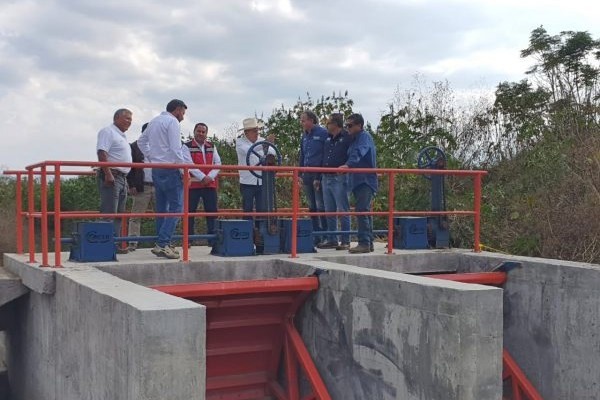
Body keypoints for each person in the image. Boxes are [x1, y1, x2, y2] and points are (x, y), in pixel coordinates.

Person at [137, 99, 188, 259]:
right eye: (183, 113)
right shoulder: (172, 122)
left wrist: (152, 157)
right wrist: (183, 170)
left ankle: (162, 243)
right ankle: (163, 243)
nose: (183, 117)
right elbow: (175, 149)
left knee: (161, 209)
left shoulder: (154, 121)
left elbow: (141, 142)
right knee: (177, 208)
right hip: (170, 168)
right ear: (177, 110)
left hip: (157, 169)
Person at [339, 113, 378, 253]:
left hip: (365, 180)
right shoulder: (354, 139)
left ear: (359, 126)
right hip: (356, 180)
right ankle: (368, 242)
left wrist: (348, 165)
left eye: (350, 125)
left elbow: (359, 152)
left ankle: (364, 243)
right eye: (346, 126)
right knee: (364, 211)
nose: (347, 128)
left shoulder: (364, 138)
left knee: (362, 211)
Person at [96, 108, 133, 254]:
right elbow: (102, 152)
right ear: (117, 118)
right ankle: (103, 246)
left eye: (131, 119)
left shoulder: (121, 135)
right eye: (127, 118)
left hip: (122, 177)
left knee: (119, 214)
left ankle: (114, 244)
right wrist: (108, 173)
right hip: (112, 175)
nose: (129, 122)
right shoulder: (108, 131)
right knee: (109, 212)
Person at [318, 113, 352, 250]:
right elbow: (324, 157)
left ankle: (345, 240)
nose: (327, 125)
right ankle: (332, 239)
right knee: (329, 210)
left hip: (340, 177)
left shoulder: (347, 137)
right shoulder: (328, 138)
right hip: (326, 176)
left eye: (329, 123)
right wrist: (319, 177)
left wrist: (347, 166)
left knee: (343, 209)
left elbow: (352, 154)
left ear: (336, 124)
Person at [183, 122, 221, 245]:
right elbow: (188, 164)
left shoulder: (212, 146)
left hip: (209, 184)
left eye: (203, 132)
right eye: (198, 131)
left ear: (206, 134)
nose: (200, 134)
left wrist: (209, 177)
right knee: (189, 213)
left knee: (212, 212)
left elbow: (218, 163)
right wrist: (203, 177)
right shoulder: (186, 146)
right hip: (193, 185)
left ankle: (213, 240)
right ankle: (188, 240)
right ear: (194, 132)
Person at [235, 117, 275, 223]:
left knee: (261, 209)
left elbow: (273, 151)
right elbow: (249, 150)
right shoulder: (240, 142)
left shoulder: (261, 141)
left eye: (257, 130)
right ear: (246, 132)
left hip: (261, 180)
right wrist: (265, 144)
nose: (257, 133)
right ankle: (247, 230)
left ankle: (260, 229)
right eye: (254, 131)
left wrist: (268, 149)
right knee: (247, 208)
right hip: (247, 181)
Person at [299, 110, 328, 245]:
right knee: (311, 206)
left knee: (320, 205)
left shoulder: (322, 133)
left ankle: (326, 235)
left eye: (304, 120)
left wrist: (319, 175)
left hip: (318, 174)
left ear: (311, 120)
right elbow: (302, 155)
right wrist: (299, 173)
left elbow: (325, 154)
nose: (302, 123)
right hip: (307, 174)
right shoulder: (304, 136)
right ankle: (316, 235)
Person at [126, 123, 153, 251]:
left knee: (164, 214)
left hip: (159, 185)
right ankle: (132, 242)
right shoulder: (134, 146)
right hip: (142, 185)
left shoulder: (159, 146)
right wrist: (131, 184)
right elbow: (129, 167)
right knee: (136, 216)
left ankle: (164, 242)